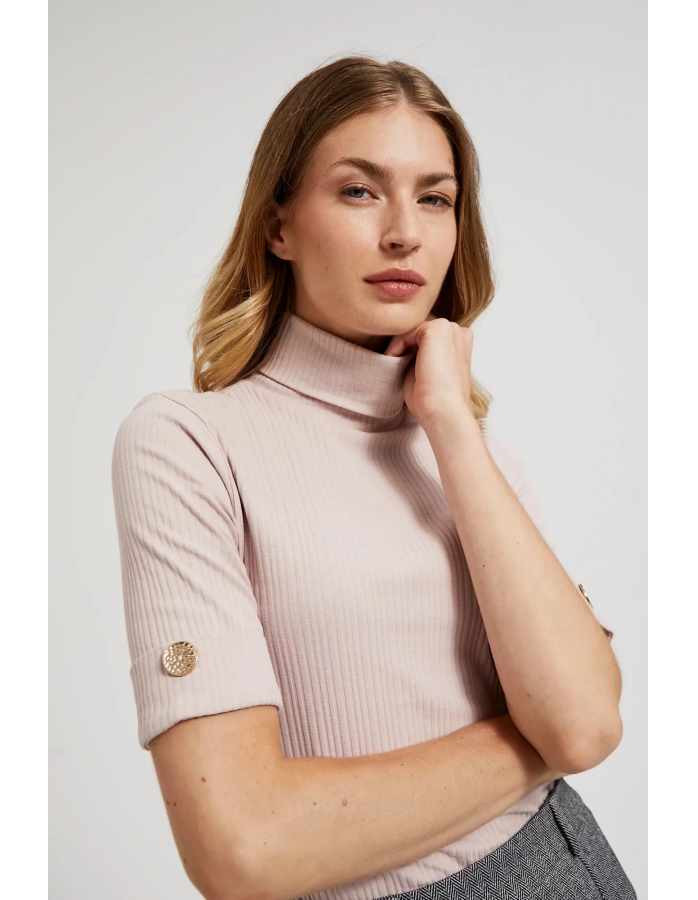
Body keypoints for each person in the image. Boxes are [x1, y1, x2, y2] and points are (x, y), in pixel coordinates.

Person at [111, 55, 635, 900]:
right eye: (359, 191)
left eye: (435, 198)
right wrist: (544, 737)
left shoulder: (462, 435)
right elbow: (244, 848)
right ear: (277, 225)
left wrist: (451, 424)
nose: (404, 234)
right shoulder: (189, 443)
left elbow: (587, 721)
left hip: (565, 866)